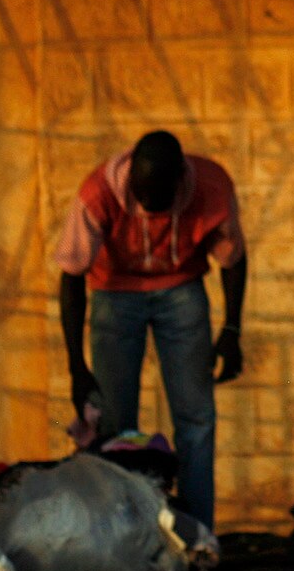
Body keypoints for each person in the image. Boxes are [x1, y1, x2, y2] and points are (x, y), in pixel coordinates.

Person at [52, 129, 247, 532]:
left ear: (180, 182)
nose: (148, 208)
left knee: (196, 418)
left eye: (158, 198)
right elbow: (71, 277)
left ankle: (197, 536)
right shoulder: (97, 194)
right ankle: (122, 534)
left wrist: (231, 329)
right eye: (141, 197)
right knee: (114, 423)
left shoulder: (211, 187)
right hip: (114, 295)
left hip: (181, 290)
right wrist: (76, 366)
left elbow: (233, 259)